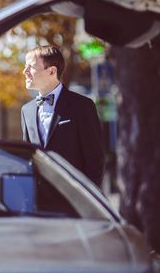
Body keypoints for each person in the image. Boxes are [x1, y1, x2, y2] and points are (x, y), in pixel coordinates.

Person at [20, 45, 105, 186]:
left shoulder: (82, 106)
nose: (25, 71)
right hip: (38, 202)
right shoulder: (26, 111)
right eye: (25, 66)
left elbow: (95, 160)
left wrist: (84, 201)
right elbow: (28, 158)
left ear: (52, 71)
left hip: (74, 200)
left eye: (31, 67)